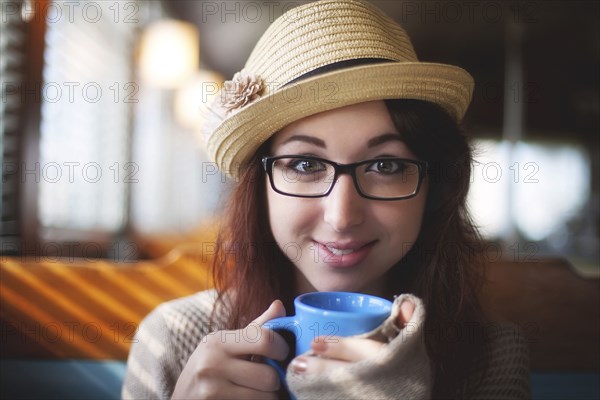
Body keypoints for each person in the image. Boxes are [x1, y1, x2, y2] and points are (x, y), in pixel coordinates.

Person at [122, 0, 530, 399]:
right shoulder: (175, 341)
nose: (341, 217)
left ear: (433, 187)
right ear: (258, 186)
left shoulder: (491, 357)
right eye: (304, 164)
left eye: (385, 166)